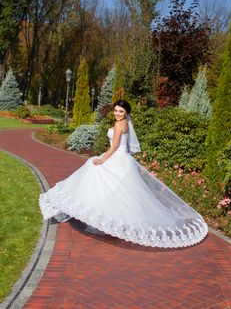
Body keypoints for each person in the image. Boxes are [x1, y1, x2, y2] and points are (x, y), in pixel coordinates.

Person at [40, 100, 208, 248]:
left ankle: (103, 218)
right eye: (116, 110)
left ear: (126, 113)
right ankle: (102, 216)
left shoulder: (120, 125)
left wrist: (102, 160)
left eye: (121, 111)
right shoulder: (123, 123)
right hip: (121, 158)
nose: (117, 113)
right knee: (114, 191)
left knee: (98, 175)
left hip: (117, 158)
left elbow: (114, 147)